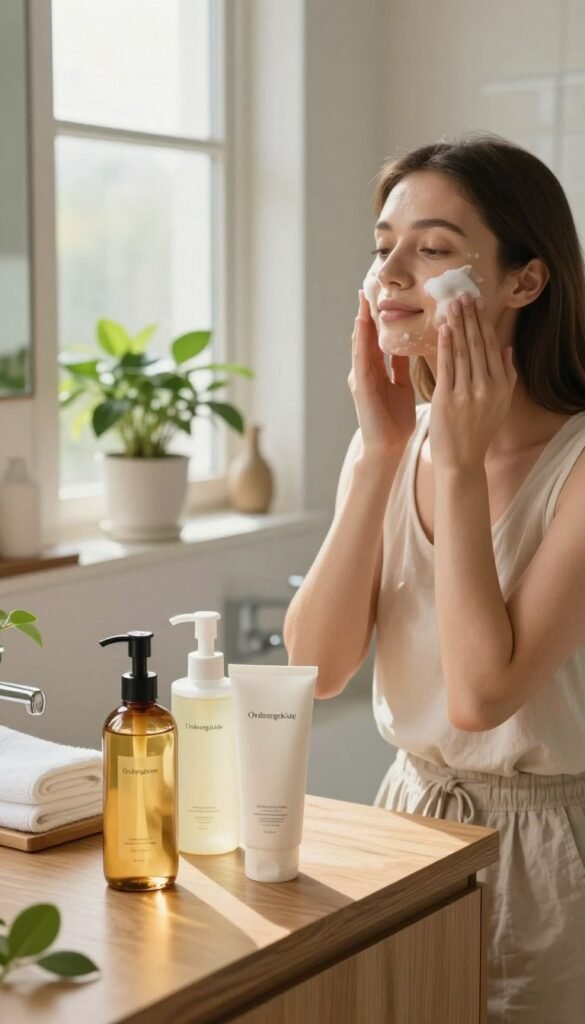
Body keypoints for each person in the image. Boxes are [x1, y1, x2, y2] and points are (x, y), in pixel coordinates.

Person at [283, 134, 585, 1023]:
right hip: (407, 817)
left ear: (523, 282)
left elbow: (481, 695)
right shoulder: (391, 443)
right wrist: (382, 451)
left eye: (434, 249)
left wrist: (453, 469)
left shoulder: (574, 468)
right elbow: (315, 668)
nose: (391, 275)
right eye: (383, 248)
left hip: (549, 851)